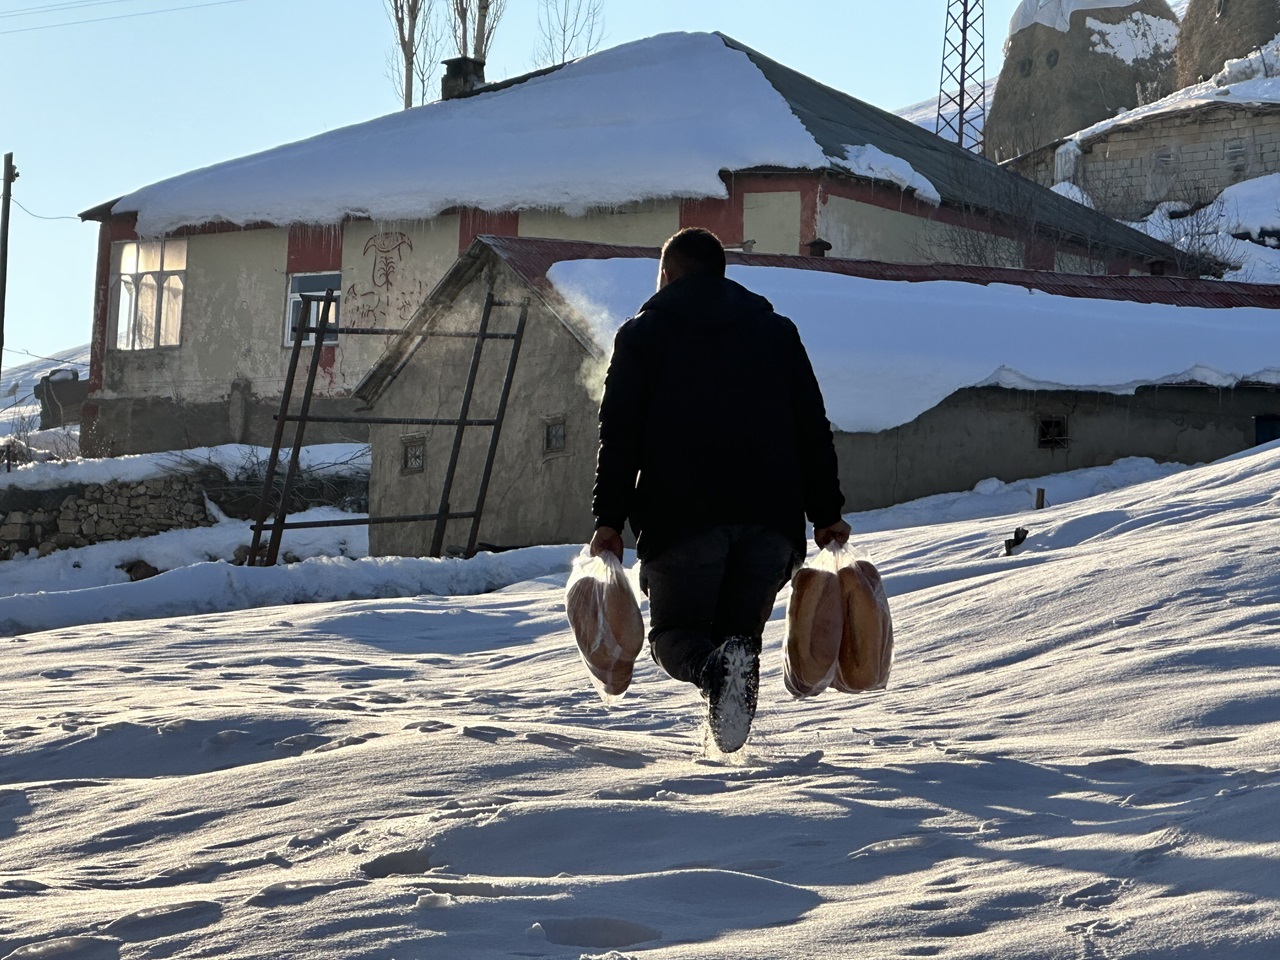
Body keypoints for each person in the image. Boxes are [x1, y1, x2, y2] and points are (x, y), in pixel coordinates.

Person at [589, 227, 850, 753]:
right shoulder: (777, 332)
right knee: (740, 643)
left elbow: (620, 436)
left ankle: (712, 692)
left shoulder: (643, 334)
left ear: (666, 274)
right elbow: (811, 427)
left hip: (683, 519)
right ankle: (725, 759)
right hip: (771, 523)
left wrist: (609, 521)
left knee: (674, 636)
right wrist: (826, 512)